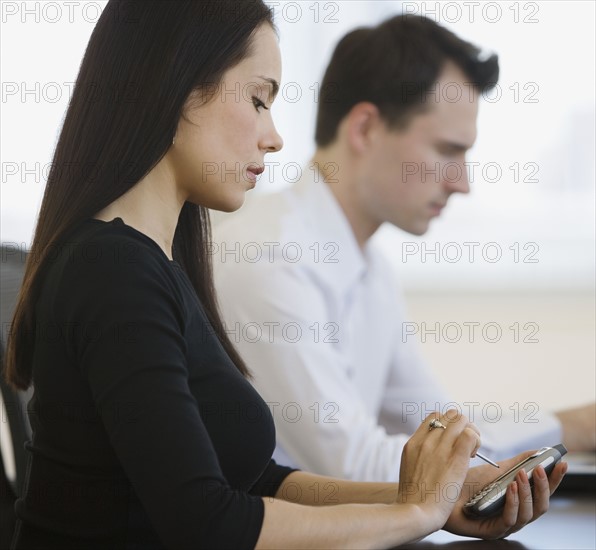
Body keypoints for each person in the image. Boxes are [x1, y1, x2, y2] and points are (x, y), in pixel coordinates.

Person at [3, 2, 567, 548]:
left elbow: (256, 483)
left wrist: (432, 503)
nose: (274, 137)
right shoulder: (114, 271)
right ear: (176, 86)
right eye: (257, 98)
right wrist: (415, 513)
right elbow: (208, 524)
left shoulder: (160, 267)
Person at [212, 13, 596, 483]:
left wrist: (575, 426)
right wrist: (570, 430)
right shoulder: (267, 257)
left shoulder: (369, 269)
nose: (462, 183)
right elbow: (351, 465)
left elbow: (442, 432)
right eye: (447, 150)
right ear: (366, 128)